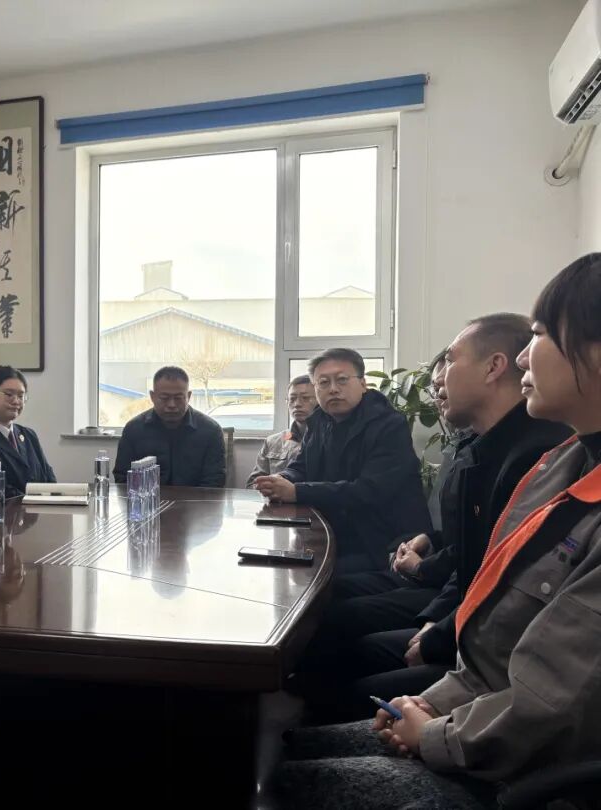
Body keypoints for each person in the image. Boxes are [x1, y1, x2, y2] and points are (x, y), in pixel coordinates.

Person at [274, 254, 601, 808]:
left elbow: (553, 700)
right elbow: (495, 633)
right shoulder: (562, 464)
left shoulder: (536, 454)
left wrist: (433, 731)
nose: (526, 354)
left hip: (526, 769)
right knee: (280, 751)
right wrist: (437, 701)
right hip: (478, 710)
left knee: (278, 779)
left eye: (543, 333)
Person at [298, 316, 571, 719]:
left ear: (494, 367)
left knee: (346, 658)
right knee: (338, 632)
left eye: (451, 360)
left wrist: (438, 627)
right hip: (458, 609)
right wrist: (434, 560)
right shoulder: (481, 444)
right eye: (323, 382)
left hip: (492, 651)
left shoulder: (537, 455)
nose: (438, 379)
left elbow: (503, 585)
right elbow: (476, 556)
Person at [255, 348, 431, 574]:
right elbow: (302, 466)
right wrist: (281, 479)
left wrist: (296, 492)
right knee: (272, 562)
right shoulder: (319, 421)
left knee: (306, 574)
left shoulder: (389, 425)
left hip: (385, 544)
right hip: (335, 533)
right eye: (323, 382)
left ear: (363, 384)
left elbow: (368, 491)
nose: (333, 389)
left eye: (342, 380)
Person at [112, 366, 226, 488]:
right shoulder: (134, 430)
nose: (171, 405)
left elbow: (214, 482)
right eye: (164, 398)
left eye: (178, 398)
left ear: (188, 396)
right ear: (152, 396)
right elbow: (122, 477)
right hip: (145, 499)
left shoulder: (210, 431)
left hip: (196, 499)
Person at [0, 365, 56, 497]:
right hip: (8, 508)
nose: (16, 401)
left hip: (42, 507)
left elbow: (49, 477)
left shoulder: (29, 435)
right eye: (9, 394)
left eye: (21, 396)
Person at [246, 374, 316, 487]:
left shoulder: (328, 440)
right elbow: (252, 484)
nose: (297, 404)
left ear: (320, 401)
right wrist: (266, 489)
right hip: (275, 498)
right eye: (292, 399)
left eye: (305, 398)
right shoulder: (273, 442)